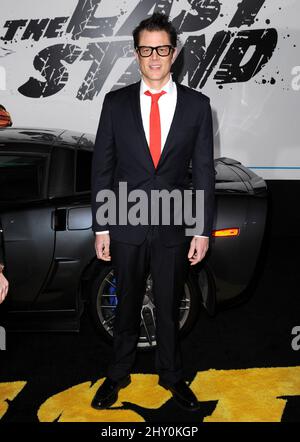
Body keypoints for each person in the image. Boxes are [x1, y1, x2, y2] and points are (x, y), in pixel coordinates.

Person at [91, 12, 214, 411]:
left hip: (173, 227)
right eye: (147, 50)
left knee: (168, 304)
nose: (155, 57)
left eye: (162, 48)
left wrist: (202, 230)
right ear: (136, 54)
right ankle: (117, 374)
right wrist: (101, 226)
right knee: (126, 304)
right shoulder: (115, 103)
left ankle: (172, 376)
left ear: (174, 53)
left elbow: (205, 174)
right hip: (125, 222)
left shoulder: (198, 106)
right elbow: (103, 169)